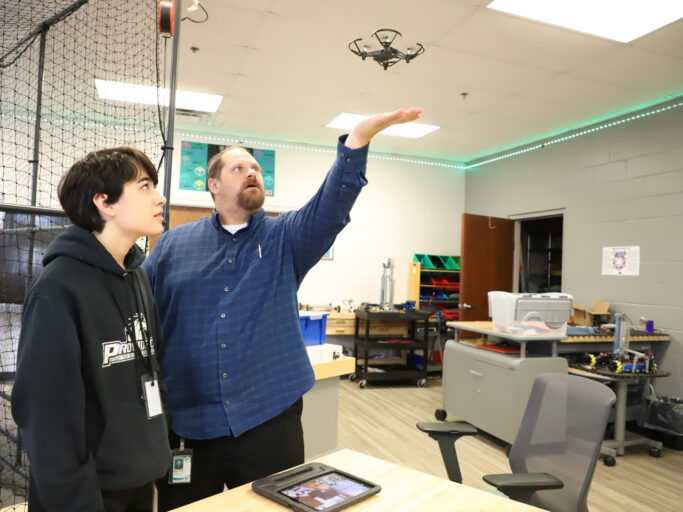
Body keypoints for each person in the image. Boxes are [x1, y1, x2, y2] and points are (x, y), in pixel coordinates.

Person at [143, 108, 423, 510]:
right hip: (188, 423)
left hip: (267, 418)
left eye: (256, 167)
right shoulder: (171, 245)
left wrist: (357, 142)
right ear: (213, 185)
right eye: (239, 167)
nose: (253, 172)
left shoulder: (285, 237)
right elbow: (140, 314)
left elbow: (330, 206)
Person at [11, 147, 171, 512]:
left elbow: (152, 367)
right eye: (145, 186)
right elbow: (47, 419)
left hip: (139, 483)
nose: (160, 197)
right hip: (86, 498)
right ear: (105, 202)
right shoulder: (57, 288)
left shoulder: (138, 276)